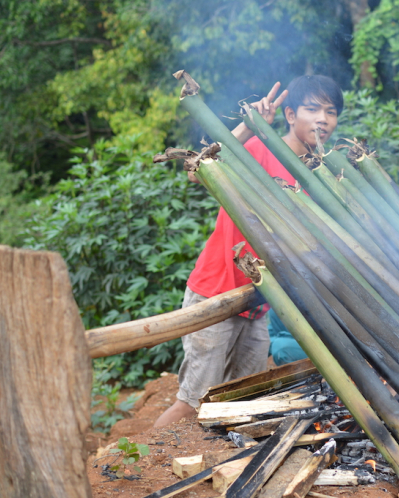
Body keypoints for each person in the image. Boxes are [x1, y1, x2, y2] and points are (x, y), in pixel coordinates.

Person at [154, 75, 343, 428]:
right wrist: (248, 126)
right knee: (192, 403)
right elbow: (199, 173)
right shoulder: (259, 149)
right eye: (312, 109)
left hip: (257, 302)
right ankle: (140, 466)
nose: (322, 119)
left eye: (330, 112)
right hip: (216, 291)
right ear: (290, 114)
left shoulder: (318, 175)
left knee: (244, 400)